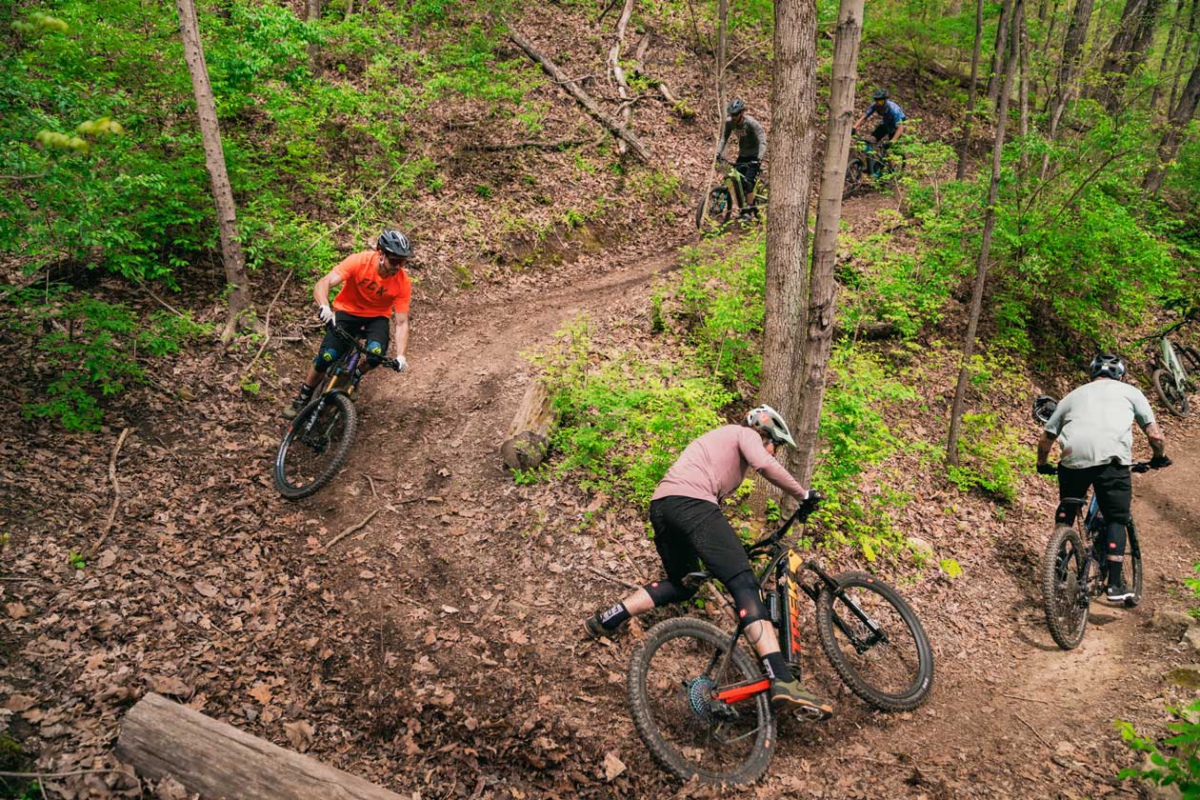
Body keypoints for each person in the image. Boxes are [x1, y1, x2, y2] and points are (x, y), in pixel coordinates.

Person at [584, 405, 832, 718]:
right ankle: (782, 678)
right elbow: (763, 465)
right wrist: (803, 494)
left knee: (682, 583)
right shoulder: (744, 434)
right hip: (693, 505)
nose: (774, 452)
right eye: (776, 445)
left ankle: (608, 618)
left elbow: (707, 521)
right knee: (744, 582)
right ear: (765, 433)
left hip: (663, 507)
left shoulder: (719, 446)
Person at [1036, 354, 1171, 602]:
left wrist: (1041, 464)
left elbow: (1046, 439)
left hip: (1073, 460)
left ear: (1092, 375)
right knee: (1116, 519)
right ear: (1121, 376)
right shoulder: (1130, 392)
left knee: (1069, 504)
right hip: (1112, 462)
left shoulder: (1073, 395)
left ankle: (1058, 559)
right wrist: (1159, 457)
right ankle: (1115, 586)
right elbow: (1155, 436)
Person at [282, 230, 414, 418]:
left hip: (376, 318)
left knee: (376, 354)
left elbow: (401, 322)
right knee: (327, 356)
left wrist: (401, 356)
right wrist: (324, 307)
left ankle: (355, 375)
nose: (398, 267)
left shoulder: (402, 282)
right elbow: (325, 282)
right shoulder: (359, 262)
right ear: (381, 254)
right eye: (394, 261)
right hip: (347, 311)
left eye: (403, 262)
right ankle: (302, 398)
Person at [715, 98, 767, 221]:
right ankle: (742, 210)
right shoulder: (729, 123)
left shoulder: (751, 123)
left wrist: (758, 159)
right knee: (737, 182)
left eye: (736, 114)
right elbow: (723, 139)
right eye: (731, 115)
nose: (733, 117)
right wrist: (717, 153)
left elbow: (763, 142)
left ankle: (748, 211)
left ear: (742, 113)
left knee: (748, 183)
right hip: (742, 155)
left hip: (754, 156)